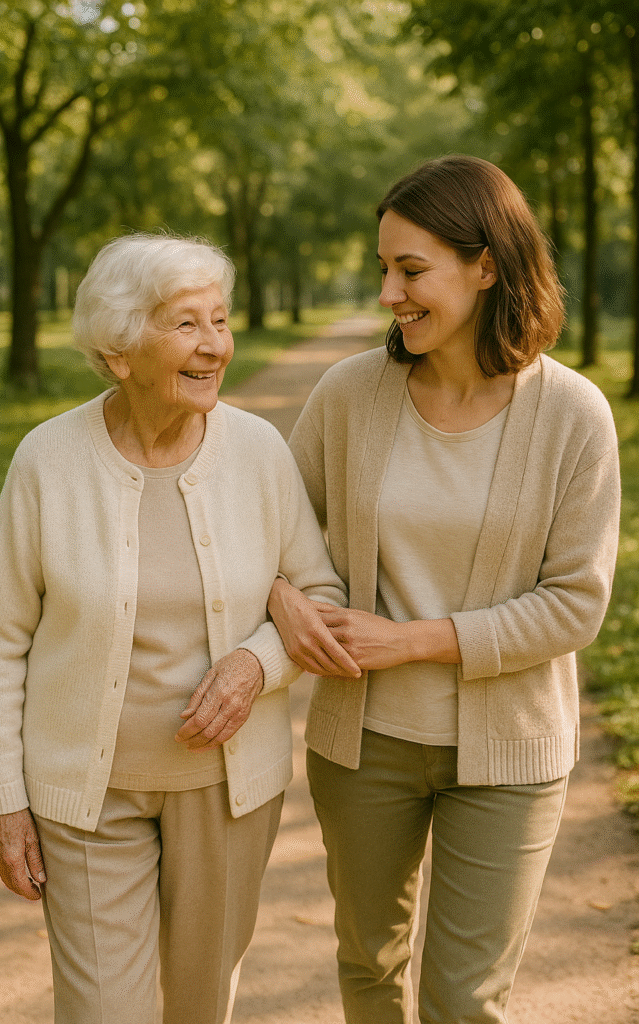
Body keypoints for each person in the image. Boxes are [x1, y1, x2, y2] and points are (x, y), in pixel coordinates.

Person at [267, 155, 621, 1024]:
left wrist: (412, 640)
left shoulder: (573, 414)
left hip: (509, 753)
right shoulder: (351, 393)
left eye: (410, 270)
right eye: (383, 269)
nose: (387, 292)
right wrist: (283, 599)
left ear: (485, 266)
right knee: (368, 962)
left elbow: (576, 600)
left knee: (464, 1001)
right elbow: (271, 532)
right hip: (361, 743)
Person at [0, 232, 347, 1024]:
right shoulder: (47, 460)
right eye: (185, 324)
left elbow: (320, 595)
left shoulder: (258, 452)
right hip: (84, 799)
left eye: (220, 320)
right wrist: (5, 801)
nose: (214, 345)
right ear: (118, 352)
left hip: (227, 794)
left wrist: (254, 664)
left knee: (200, 1007)